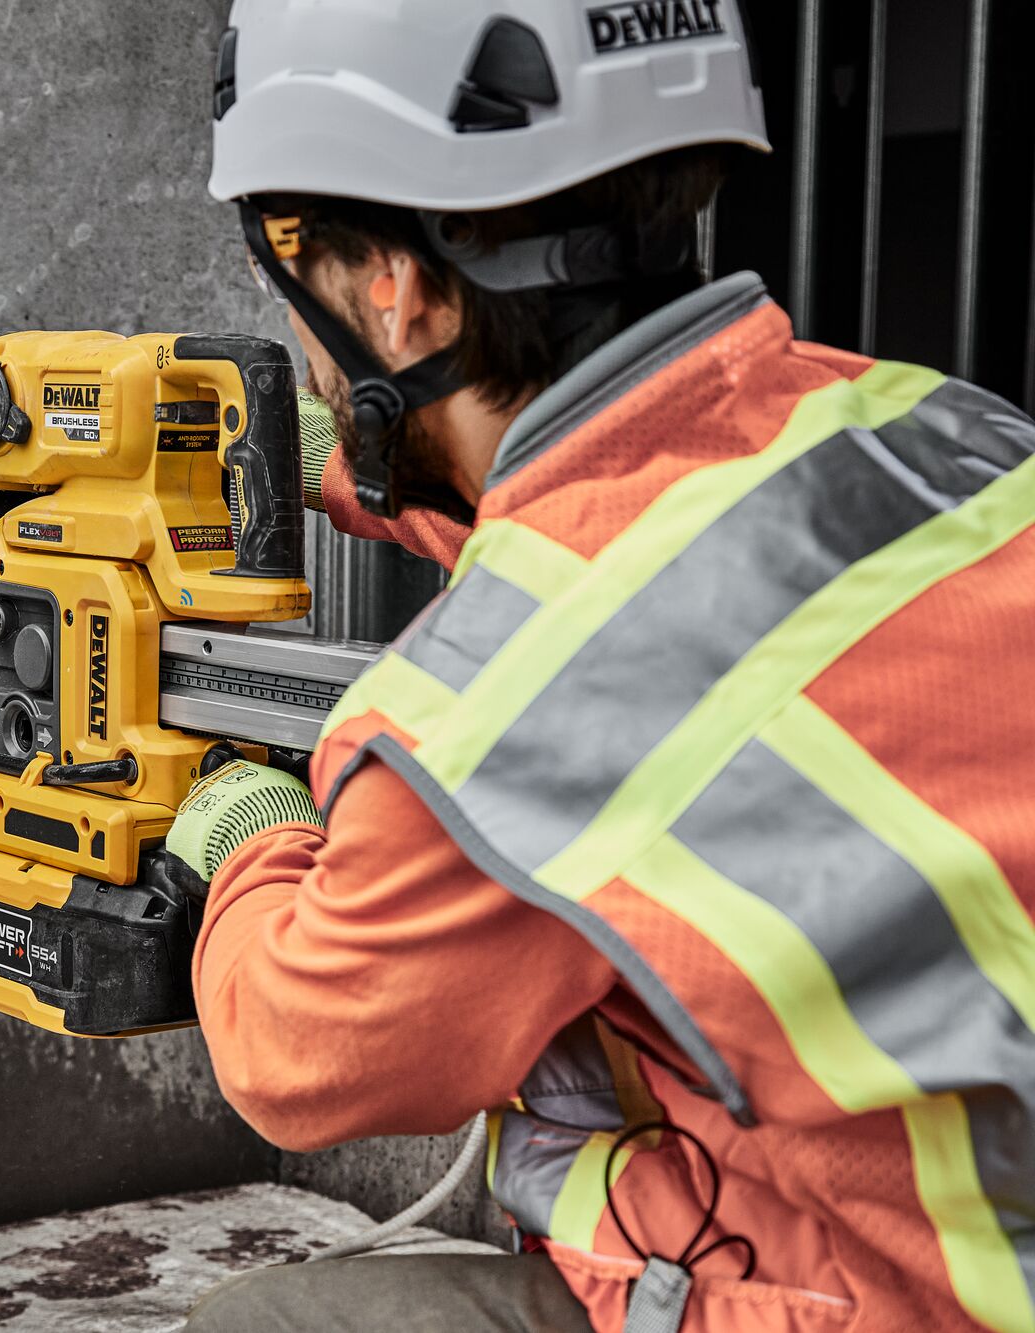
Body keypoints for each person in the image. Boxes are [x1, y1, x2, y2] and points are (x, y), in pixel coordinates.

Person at [166, 3, 1035, 1330]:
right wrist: (351, 471)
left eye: (291, 268)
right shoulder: (945, 434)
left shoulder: (482, 732)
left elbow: (298, 1057)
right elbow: (646, 550)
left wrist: (251, 841)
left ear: (393, 292)